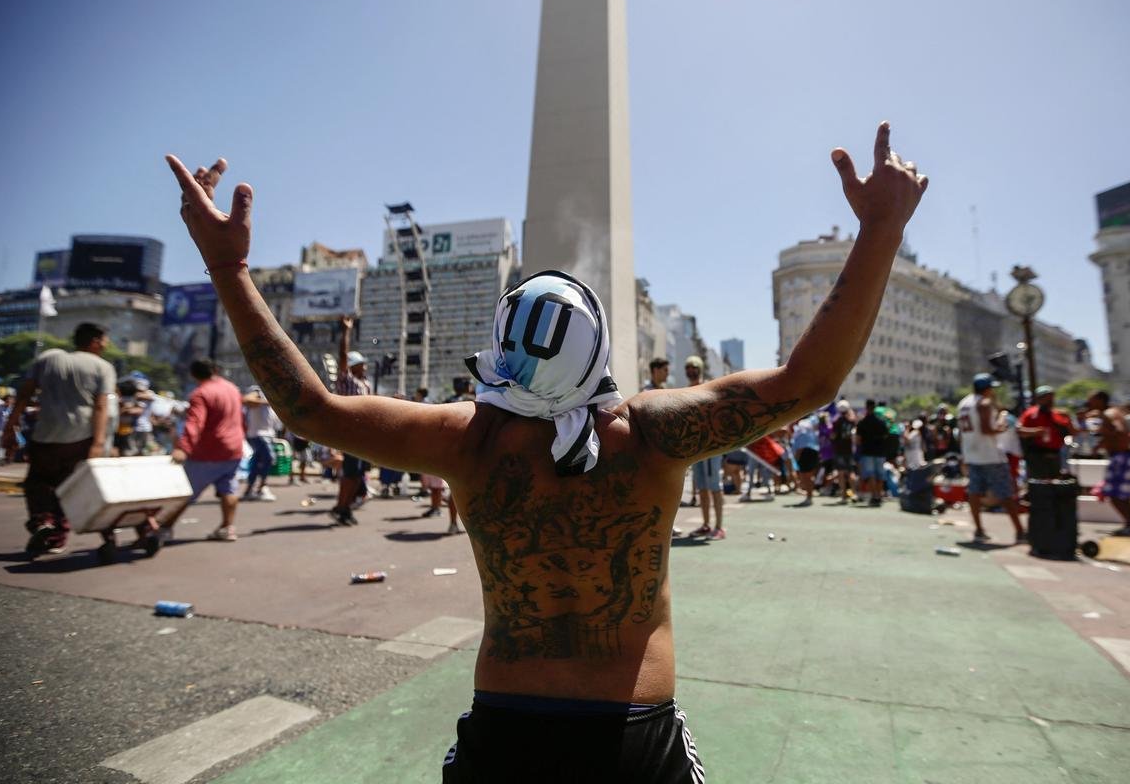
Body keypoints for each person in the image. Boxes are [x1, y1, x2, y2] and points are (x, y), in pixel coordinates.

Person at [166, 120, 927, 781]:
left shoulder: (469, 440)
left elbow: (309, 409)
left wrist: (229, 269)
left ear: (501, 346)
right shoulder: (649, 434)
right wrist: (880, 231)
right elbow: (809, 382)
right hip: (634, 729)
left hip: (506, 727)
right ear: (597, 350)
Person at [0, 323, 116, 555]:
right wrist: (99, 443)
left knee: (38, 483)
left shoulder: (48, 357)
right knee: (69, 487)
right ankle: (58, 535)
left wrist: (10, 426)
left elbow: (25, 393)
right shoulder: (102, 367)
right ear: (95, 341)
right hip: (79, 437)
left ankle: (43, 522)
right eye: (104, 340)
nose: (106, 344)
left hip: (45, 434)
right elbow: (101, 407)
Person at [171, 359, 245, 541]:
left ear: (193, 375)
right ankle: (227, 528)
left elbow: (195, 422)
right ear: (215, 370)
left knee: (185, 492)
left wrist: (183, 448)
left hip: (209, 451)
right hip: (234, 448)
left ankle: (163, 528)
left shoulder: (201, 393)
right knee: (228, 489)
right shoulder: (232, 388)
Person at [957, 374, 1026, 544]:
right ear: (987, 389)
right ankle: (1020, 531)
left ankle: (979, 529)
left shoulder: (964, 403)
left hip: (972, 454)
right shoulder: (984, 403)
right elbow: (986, 429)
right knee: (1005, 493)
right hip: (990, 455)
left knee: (974, 493)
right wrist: (1002, 426)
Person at [1083, 391, 1130, 536]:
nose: (1089, 404)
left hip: (1121, 456)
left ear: (1100, 400)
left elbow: (1118, 430)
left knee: (1114, 494)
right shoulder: (1111, 412)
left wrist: (1101, 428)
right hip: (1124, 455)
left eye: (1091, 400)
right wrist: (1100, 444)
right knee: (1121, 495)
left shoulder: (1109, 413)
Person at [331, 315, 371, 525]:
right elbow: (342, 356)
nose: (364, 367)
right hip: (351, 433)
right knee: (350, 474)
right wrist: (346, 331)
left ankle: (345, 507)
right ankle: (341, 507)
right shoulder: (346, 380)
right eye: (361, 364)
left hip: (364, 435)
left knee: (358, 475)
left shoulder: (365, 384)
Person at [683, 355, 725, 539]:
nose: (691, 371)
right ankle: (706, 524)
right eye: (688, 368)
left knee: (715, 485)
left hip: (711, 446)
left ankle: (719, 527)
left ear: (700, 369)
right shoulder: (686, 391)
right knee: (702, 487)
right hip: (696, 447)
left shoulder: (708, 387)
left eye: (694, 367)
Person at [1017, 385, 1071, 479]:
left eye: (1051, 397)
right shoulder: (1031, 413)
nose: (1050, 400)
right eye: (1046, 398)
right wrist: (1035, 432)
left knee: (1056, 481)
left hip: (1055, 455)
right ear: (1039, 399)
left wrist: (1067, 419)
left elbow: (1072, 431)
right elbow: (1019, 430)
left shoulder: (1057, 414)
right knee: (1037, 482)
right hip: (1037, 456)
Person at [241, 385, 279, 501]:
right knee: (269, 458)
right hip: (258, 435)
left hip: (268, 435)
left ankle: (249, 490)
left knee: (257, 463)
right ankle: (262, 488)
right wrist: (268, 402)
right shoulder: (258, 391)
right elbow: (246, 399)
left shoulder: (272, 395)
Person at [855, 400, 888, 506]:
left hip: (867, 451)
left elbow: (858, 440)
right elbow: (886, 435)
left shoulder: (862, 422)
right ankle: (879, 495)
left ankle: (874, 496)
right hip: (880, 452)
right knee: (880, 475)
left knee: (871, 474)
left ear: (866, 407)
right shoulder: (881, 422)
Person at [831, 400, 857, 503]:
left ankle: (843, 496)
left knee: (841, 473)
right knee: (851, 472)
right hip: (849, 449)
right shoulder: (851, 421)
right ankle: (854, 493)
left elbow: (833, 436)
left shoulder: (837, 421)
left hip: (839, 449)